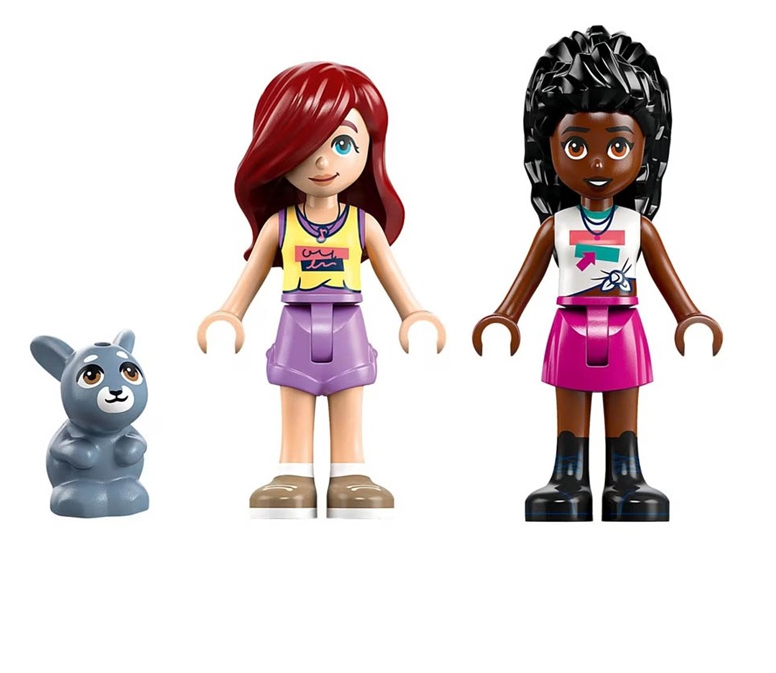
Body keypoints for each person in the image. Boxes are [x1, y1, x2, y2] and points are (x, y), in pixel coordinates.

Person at [473, 27, 722, 522]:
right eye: (576, 146)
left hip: (625, 323)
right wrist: (504, 318)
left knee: (624, 400)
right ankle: (568, 474)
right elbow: (524, 283)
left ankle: (625, 474)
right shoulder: (556, 226)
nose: (598, 162)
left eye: (618, 146)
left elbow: (669, 282)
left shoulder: (637, 227)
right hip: (570, 323)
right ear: (549, 148)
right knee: (570, 400)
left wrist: (690, 317)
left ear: (644, 149)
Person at [198, 62, 445, 518]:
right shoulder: (280, 226)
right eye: (305, 146)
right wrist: (228, 316)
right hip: (294, 323)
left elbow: (396, 284)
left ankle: (350, 471)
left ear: (368, 149)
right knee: (294, 394)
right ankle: (293, 472)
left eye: (342, 143)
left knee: (350, 394)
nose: (323, 162)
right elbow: (247, 283)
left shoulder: (362, 226)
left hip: (349, 324)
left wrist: (414, 315)